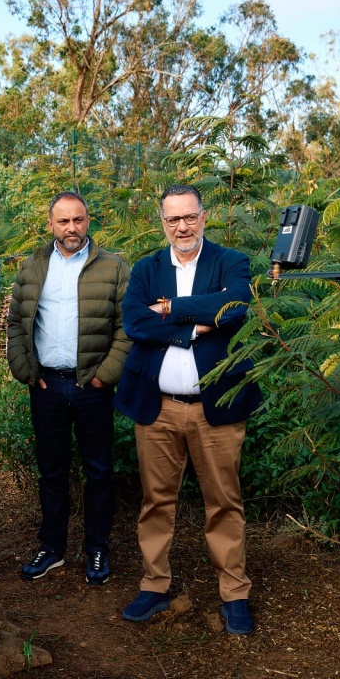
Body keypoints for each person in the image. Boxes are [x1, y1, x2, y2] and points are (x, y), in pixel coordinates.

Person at [114, 184, 264, 636]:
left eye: (189, 217)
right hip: (158, 409)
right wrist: (196, 326)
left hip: (214, 409)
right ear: (162, 223)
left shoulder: (230, 261)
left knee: (224, 502)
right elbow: (135, 322)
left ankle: (234, 594)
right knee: (156, 500)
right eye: (172, 219)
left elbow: (234, 307)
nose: (182, 226)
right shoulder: (146, 268)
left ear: (204, 217)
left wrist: (172, 308)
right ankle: (154, 584)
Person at [6, 192, 132, 584]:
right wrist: (27, 371)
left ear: (88, 221)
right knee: (52, 472)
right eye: (63, 221)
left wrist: (103, 375)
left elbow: (126, 329)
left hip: (91, 387)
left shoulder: (113, 267)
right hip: (46, 385)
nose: (71, 228)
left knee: (98, 471)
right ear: (51, 224)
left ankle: (97, 549)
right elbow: (14, 322)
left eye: (78, 220)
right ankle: (52, 548)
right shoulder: (32, 267)